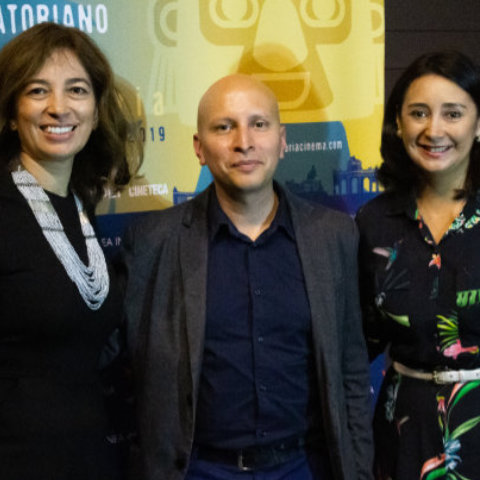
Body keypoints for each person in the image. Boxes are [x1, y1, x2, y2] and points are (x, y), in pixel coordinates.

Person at [123, 73, 373, 480]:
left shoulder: (333, 236)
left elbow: (350, 370)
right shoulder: (154, 241)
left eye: (259, 124)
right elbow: (129, 370)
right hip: (199, 469)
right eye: (225, 127)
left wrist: (358, 469)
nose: (244, 141)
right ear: (199, 148)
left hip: (305, 467)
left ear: (282, 139)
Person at [0, 22, 141, 480]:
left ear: (97, 112)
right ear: (10, 110)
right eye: (37, 90)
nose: (58, 108)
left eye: (76, 90)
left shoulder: (80, 207)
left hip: (88, 457)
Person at [356, 51, 480, 480]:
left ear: (478, 123)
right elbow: (359, 340)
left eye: (453, 113)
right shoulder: (374, 222)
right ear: (398, 123)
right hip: (403, 434)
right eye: (419, 113)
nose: (434, 130)